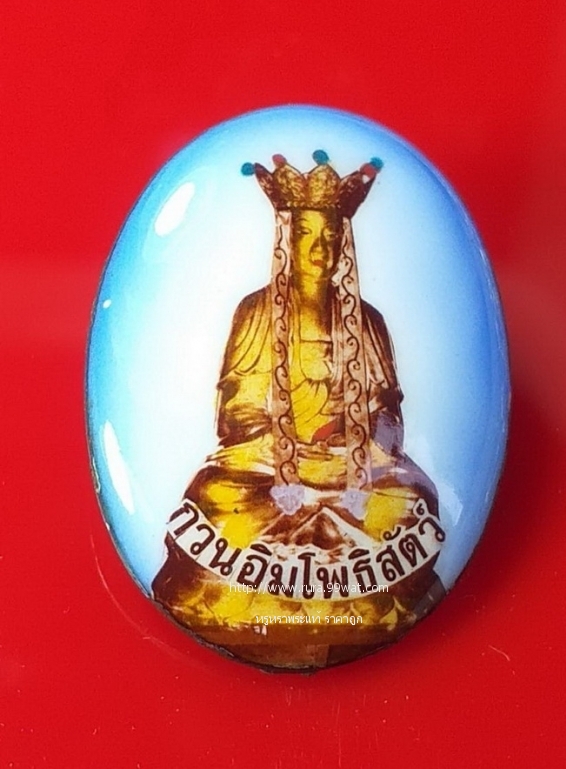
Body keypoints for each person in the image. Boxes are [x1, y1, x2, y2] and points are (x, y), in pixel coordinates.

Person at [152, 151, 444, 670]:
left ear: (343, 245)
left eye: (330, 237)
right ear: (287, 240)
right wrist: (280, 437)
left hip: (351, 465)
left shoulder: (368, 322)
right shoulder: (255, 311)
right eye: (307, 235)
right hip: (269, 463)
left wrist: (357, 435)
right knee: (215, 495)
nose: (319, 249)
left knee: (409, 498)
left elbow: (388, 413)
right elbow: (235, 411)